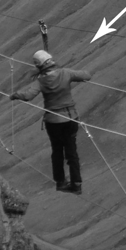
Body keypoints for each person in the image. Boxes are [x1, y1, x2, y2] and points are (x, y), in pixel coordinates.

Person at [10, 50, 90, 194]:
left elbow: (28, 96)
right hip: (70, 118)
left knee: (57, 151)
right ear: (50, 61)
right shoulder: (65, 73)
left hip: (53, 122)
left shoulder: (41, 81)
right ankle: (76, 183)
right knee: (71, 151)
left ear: (39, 66)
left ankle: (60, 182)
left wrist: (15, 95)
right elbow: (86, 75)